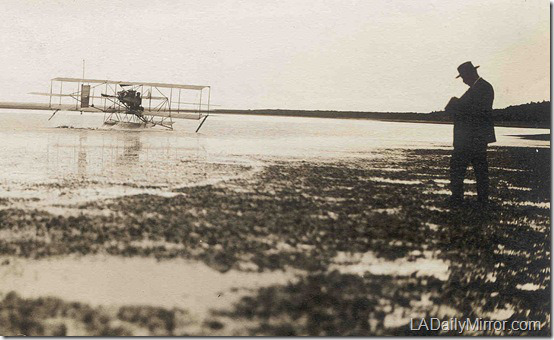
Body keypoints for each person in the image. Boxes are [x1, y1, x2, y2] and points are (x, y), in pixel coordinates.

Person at [445, 61, 495, 206]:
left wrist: (455, 103)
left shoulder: (482, 88)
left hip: (472, 137)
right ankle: (480, 199)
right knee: (478, 169)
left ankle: (461, 198)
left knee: (461, 167)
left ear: (470, 74)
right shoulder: (479, 87)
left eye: (463, 76)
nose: (463, 80)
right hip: (475, 137)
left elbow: (474, 111)